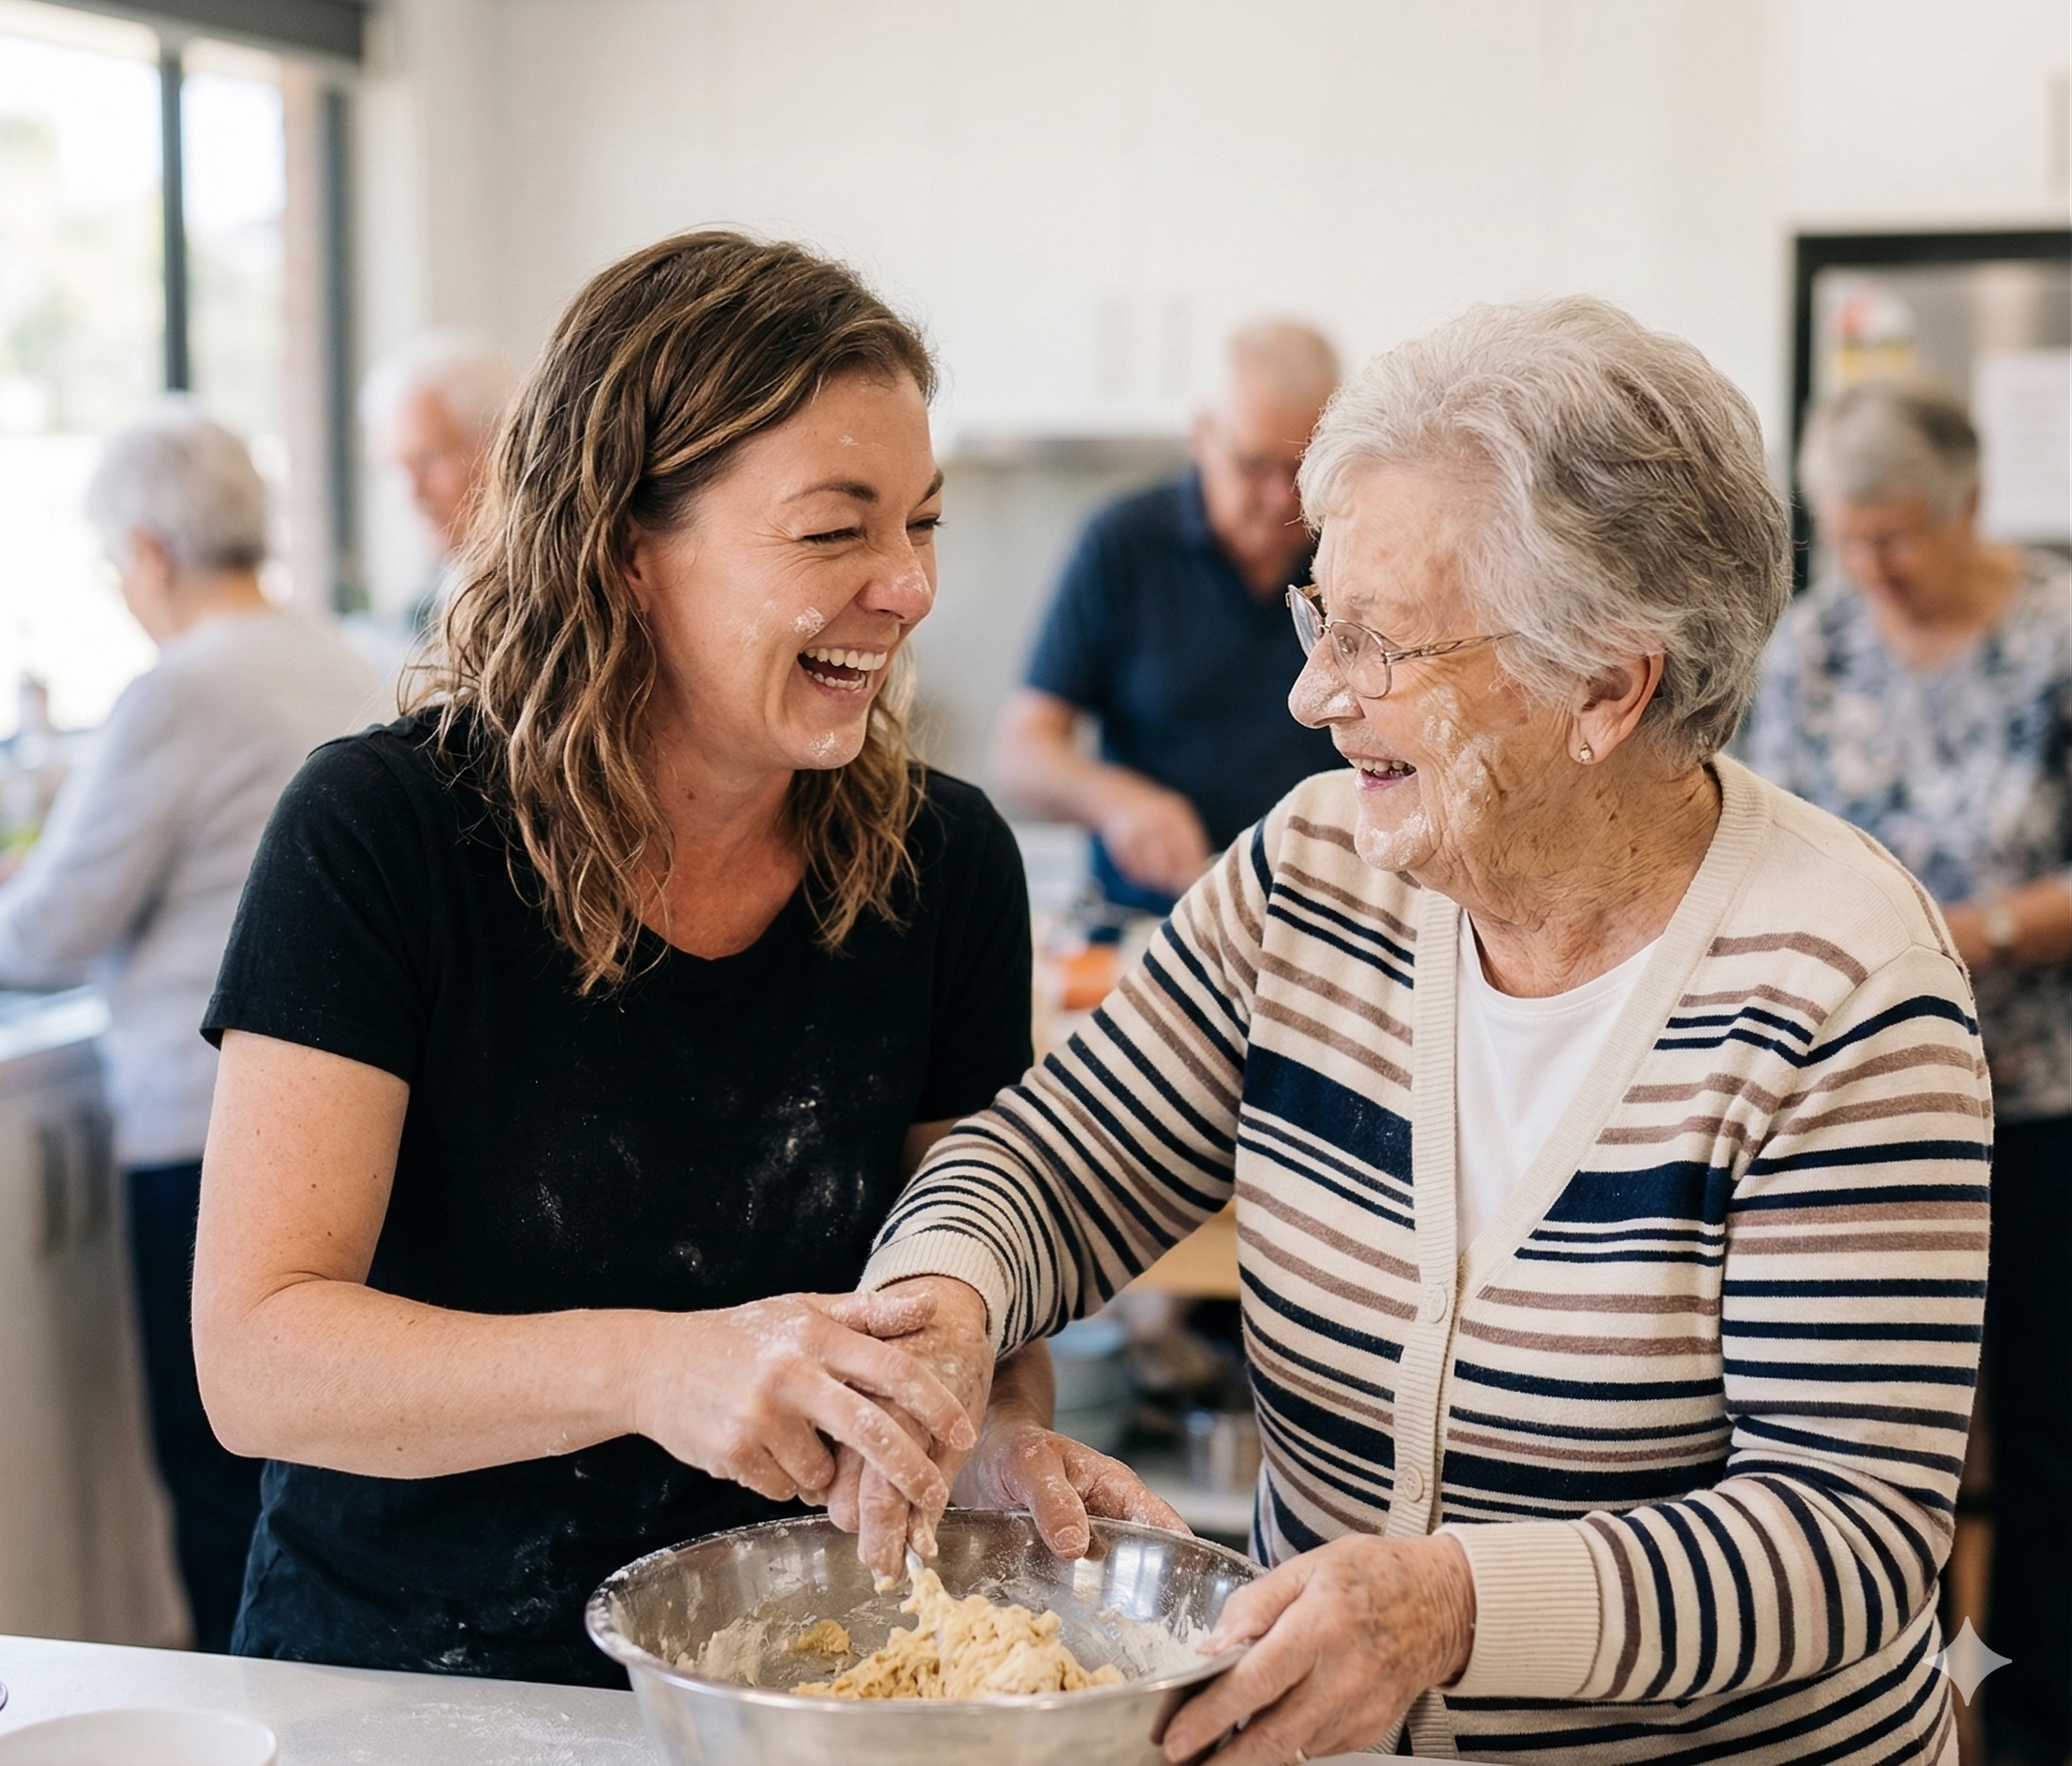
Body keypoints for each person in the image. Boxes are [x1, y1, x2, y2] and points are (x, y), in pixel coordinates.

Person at [842, 298, 1992, 1763]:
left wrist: (1452, 1610)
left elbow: (1843, 1537)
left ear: (1605, 685)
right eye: (1321, 620)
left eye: (1379, 646)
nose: (1314, 697)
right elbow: (1051, 1163)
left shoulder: (1842, 986)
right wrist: (949, 1301)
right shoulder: (1311, 874)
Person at [188, 233, 1176, 1690]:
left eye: (922, 523)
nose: (906, 588)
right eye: (836, 531)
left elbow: (967, 1291)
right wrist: (653, 1367)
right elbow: (259, 1361)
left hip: (784, 1680)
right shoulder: (386, 833)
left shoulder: (944, 863)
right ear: (626, 550)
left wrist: (986, 1436)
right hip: (403, 1686)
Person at [0, 405, 380, 1652]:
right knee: (317, 1486)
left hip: (208, 1136)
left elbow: (50, 930)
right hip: (361, 1121)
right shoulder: (333, 655)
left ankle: (235, 1718)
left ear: (148, 552)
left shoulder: (182, 685)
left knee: (220, 1493)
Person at [1744, 378, 2071, 1766]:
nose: (1872, 567)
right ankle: (1879, 1724)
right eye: (1849, 536)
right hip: (1851, 1115)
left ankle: (2042, 1731)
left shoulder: (2058, 643)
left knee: (2053, 1450)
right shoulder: (1810, 646)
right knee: (1867, 1451)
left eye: (1899, 538)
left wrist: (1971, 929)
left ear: (1971, 507)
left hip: (2042, 1105)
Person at [992, 321, 1342, 914]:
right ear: (1203, 436)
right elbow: (1020, 752)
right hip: (1154, 917)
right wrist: (1118, 800)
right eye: (1256, 466)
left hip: (1326, 913)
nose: (1283, 500)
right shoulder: (1122, 544)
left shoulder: (1353, 550)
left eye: (1304, 469)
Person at [359, 328, 516, 623]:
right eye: (396, 468)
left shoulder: (550, 592)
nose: (412, 494)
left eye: (429, 460)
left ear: (500, 447)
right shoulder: (431, 601)